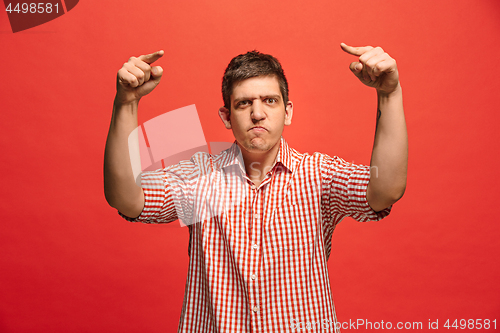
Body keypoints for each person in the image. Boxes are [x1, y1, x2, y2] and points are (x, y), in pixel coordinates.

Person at [104, 43, 408, 332]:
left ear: (287, 112)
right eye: (244, 103)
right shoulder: (200, 177)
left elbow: (385, 191)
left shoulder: (319, 175)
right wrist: (127, 102)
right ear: (226, 116)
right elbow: (128, 199)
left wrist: (389, 94)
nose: (257, 113)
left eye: (270, 101)